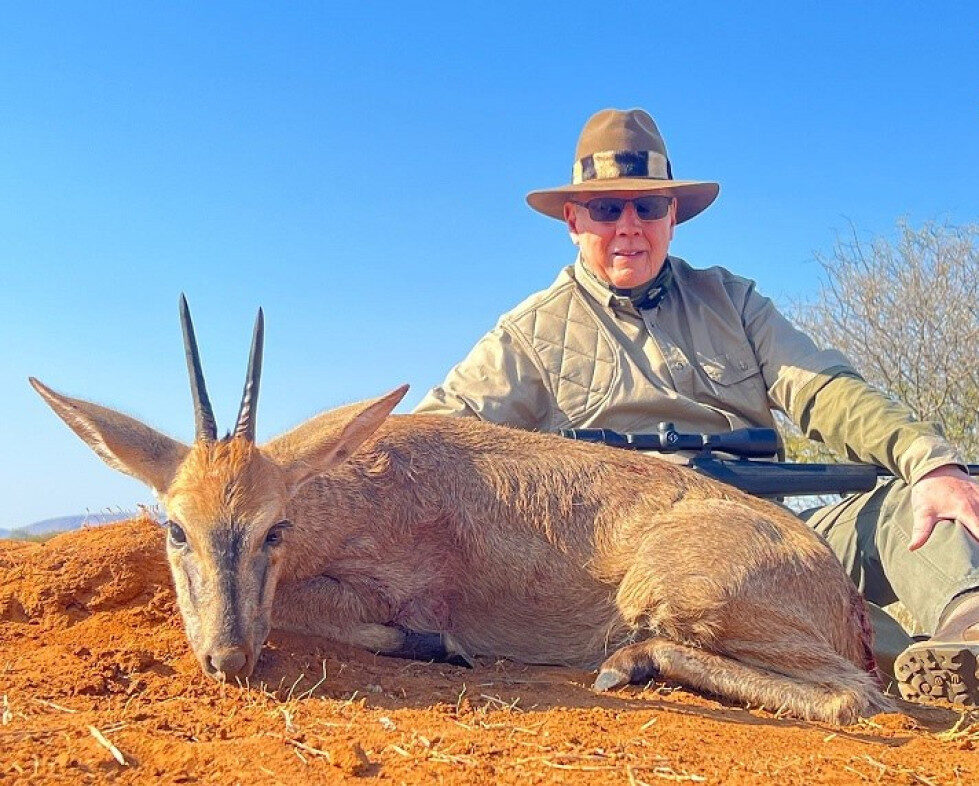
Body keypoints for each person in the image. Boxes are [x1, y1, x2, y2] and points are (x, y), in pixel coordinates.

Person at [414, 108, 979, 704]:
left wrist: (930, 460)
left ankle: (965, 631)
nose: (628, 226)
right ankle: (901, 669)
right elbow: (433, 438)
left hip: (778, 529)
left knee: (913, 501)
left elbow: (826, 391)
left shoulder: (733, 301)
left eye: (648, 207)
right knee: (745, 602)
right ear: (573, 220)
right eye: (607, 209)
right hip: (633, 565)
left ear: (673, 215)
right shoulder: (528, 335)